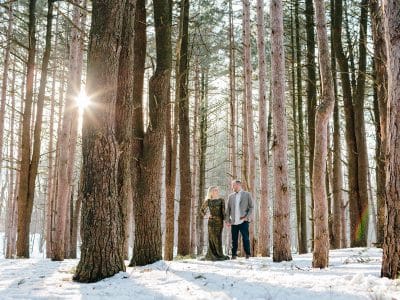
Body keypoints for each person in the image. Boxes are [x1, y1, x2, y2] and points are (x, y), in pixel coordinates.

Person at [225, 180, 254, 259]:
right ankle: (233, 255)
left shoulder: (247, 194)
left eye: (233, 185)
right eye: (232, 185)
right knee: (234, 239)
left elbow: (251, 207)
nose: (232, 187)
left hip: (243, 221)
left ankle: (247, 254)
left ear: (238, 185)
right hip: (234, 221)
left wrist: (246, 217)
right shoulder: (231, 196)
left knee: (245, 238)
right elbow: (228, 210)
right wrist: (227, 220)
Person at [200, 186, 230, 261]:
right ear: (211, 192)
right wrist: (206, 215)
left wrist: (226, 221)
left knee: (218, 238)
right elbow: (201, 210)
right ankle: (212, 255)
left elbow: (223, 212)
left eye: (216, 190)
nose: (216, 191)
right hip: (211, 222)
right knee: (211, 238)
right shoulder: (208, 201)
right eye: (214, 190)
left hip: (219, 222)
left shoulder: (221, 200)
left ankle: (219, 254)